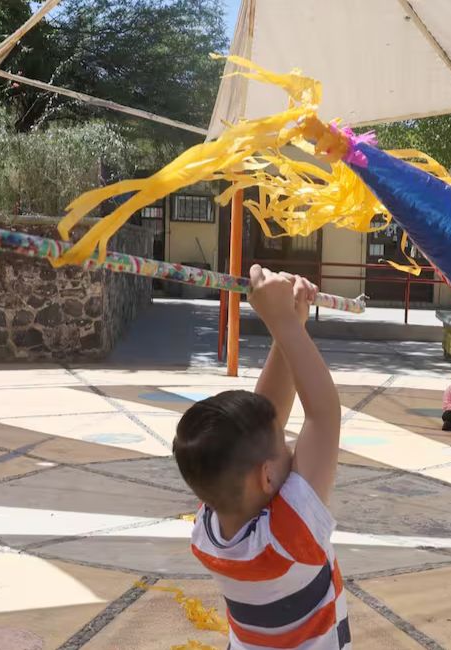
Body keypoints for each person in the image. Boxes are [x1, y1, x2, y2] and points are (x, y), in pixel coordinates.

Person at [174, 266, 349, 649]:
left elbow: (263, 416)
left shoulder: (209, 532)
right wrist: (283, 322)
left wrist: (289, 324)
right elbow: (324, 414)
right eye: (284, 445)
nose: (292, 448)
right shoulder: (290, 540)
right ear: (266, 477)